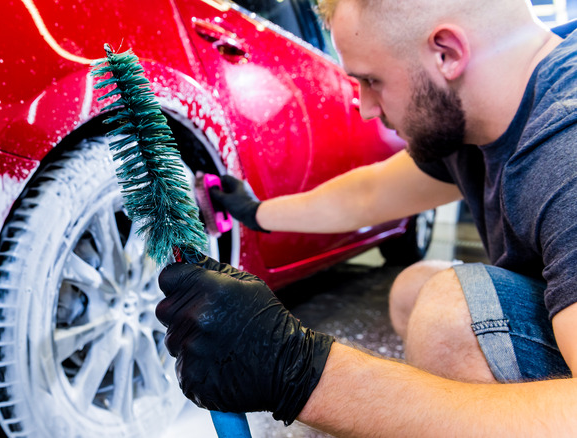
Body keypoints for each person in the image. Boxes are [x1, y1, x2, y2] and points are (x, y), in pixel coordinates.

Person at [155, 0, 577, 435]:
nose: (366, 108)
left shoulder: (566, 148)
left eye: (372, 81)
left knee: (450, 315)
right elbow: (368, 193)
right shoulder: (485, 116)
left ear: (447, 53)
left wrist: (302, 374)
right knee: (415, 291)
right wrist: (254, 212)